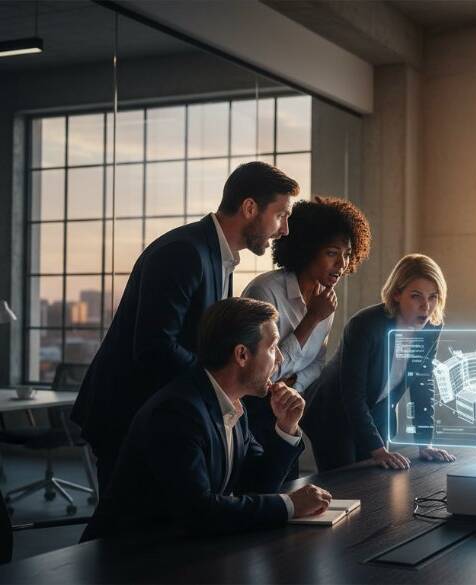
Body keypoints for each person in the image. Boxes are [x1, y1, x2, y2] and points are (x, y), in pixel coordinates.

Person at [71, 162, 298, 493]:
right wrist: (220, 385)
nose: (285, 230)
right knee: (127, 533)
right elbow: (155, 346)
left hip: (169, 413)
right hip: (130, 412)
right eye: (281, 215)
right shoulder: (184, 252)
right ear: (250, 207)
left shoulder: (219, 257)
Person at [82, 298, 332, 541]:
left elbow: (255, 485)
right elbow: (198, 512)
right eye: (272, 347)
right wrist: (289, 505)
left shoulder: (233, 405)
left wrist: (286, 426)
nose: (279, 358)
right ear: (242, 355)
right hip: (125, 560)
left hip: (179, 554)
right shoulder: (178, 412)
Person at [241, 197, 371, 478]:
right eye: (332, 253)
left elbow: (316, 363)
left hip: (288, 406)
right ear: (308, 249)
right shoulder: (265, 291)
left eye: (347, 254)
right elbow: (262, 371)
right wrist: (312, 318)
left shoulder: (325, 298)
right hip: (254, 410)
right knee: (264, 486)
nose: (341, 264)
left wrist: (293, 385)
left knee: (290, 488)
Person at [301, 254, 456, 471]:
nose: (426, 307)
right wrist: (377, 449)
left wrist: (424, 443)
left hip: (376, 408)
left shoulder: (431, 328)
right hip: (333, 413)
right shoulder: (365, 325)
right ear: (396, 295)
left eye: (433, 297)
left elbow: (422, 384)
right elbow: (352, 394)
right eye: (416, 296)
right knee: (345, 483)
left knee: (380, 479)